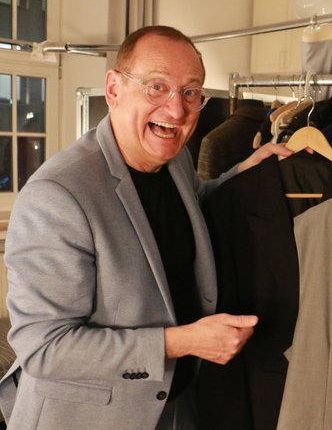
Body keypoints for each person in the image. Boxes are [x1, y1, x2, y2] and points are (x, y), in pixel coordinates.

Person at [0, 25, 291, 429]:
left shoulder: (175, 162)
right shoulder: (58, 195)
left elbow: (191, 205)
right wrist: (183, 342)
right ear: (114, 89)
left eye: (191, 92)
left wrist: (246, 172)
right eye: (156, 87)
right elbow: (45, 348)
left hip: (173, 408)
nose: (177, 110)